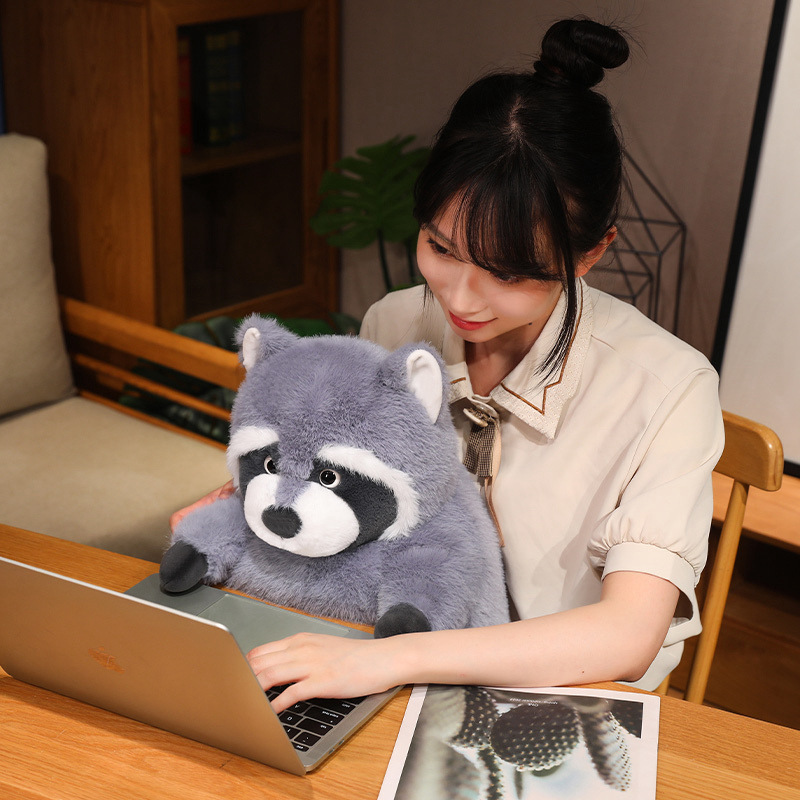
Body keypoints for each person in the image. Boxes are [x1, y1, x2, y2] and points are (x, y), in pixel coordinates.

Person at [181, 18, 725, 714]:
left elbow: (627, 635)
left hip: (554, 702)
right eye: (441, 248)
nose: (460, 300)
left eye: (508, 273)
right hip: (376, 660)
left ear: (589, 254)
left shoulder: (670, 390)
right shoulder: (394, 325)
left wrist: (391, 659)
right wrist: (238, 506)